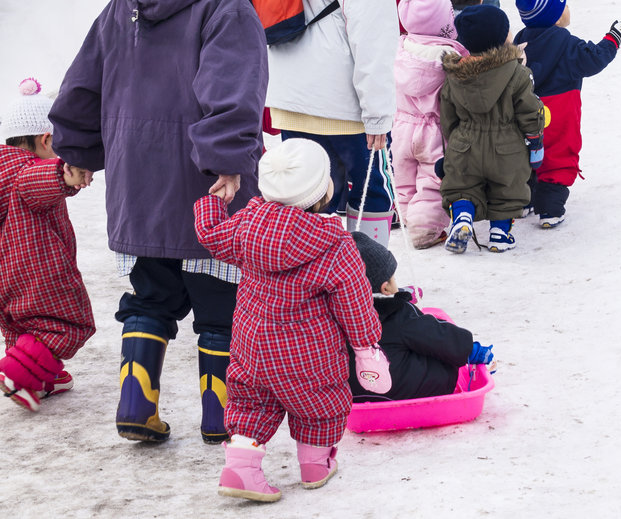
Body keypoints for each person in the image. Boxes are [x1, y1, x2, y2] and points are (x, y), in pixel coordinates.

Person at [48, 0, 268, 444]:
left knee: (149, 295)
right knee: (223, 304)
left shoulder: (122, 7)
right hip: (206, 182)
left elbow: (83, 85)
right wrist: (227, 157)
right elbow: (232, 85)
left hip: (138, 181)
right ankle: (222, 416)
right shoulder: (227, 8)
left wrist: (77, 146)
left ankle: (136, 404)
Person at [193, 138, 391, 502]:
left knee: (250, 405)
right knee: (321, 405)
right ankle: (315, 465)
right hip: (310, 357)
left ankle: (241, 470)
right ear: (323, 191)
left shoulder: (247, 225)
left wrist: (213, 203)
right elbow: (355, 302)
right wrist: (366, 347)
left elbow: (211, 235)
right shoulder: (334, 244)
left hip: (252, 349)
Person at [265, 0, 399, 246]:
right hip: (344, 106)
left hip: (290, 97)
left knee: (306, 196)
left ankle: (310, 278)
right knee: (371, 191)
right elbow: (373, 42)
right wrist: (378, 115)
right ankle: (368, 276)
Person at [0, 78, 95, 412]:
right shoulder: (26, 172)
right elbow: (37, 182)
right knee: (68, 325)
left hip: (8, 281)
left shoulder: (2, 168)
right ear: (45, 139)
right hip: (40, 275)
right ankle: (16, 373)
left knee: (23, 332)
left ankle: (41, 379)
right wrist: (67, 172)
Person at [439, 5, 544, 253]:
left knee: (462, 187)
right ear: (501, 37)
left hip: (464, 144)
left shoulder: (454, 75)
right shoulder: (517, 73)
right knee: (508, 190)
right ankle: (499, 233)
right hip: (507, 148)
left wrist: (454, 141)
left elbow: (447, 115)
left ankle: (463, 217)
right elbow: (530, 111)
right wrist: (535, 140)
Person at [514, 1, 621, 228]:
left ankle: (523, 198)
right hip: (559, 114)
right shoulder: (566, 43)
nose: (568, 9)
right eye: (564, 6)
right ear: (556, 17)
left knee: (524, 151)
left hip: (525, 113)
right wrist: (614, 38)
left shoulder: (519, 41)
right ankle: (550, 209)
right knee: (557, 156)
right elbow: (594, 59)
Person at [348, 231, 495, 401]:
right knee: (443, 365)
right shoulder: (398, 314)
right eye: (393, 279)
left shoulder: (337, 315)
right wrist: (470, 349)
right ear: (385, 288)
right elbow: (437, 336)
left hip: (354, 393)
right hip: (405, 391)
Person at [391, 0, 468, 249]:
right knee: (432, 180)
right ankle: (424, 231)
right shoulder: (450, 56)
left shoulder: (400, 49)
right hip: (434, 129)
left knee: (403, 178)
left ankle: (405, 219)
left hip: (401, 126)